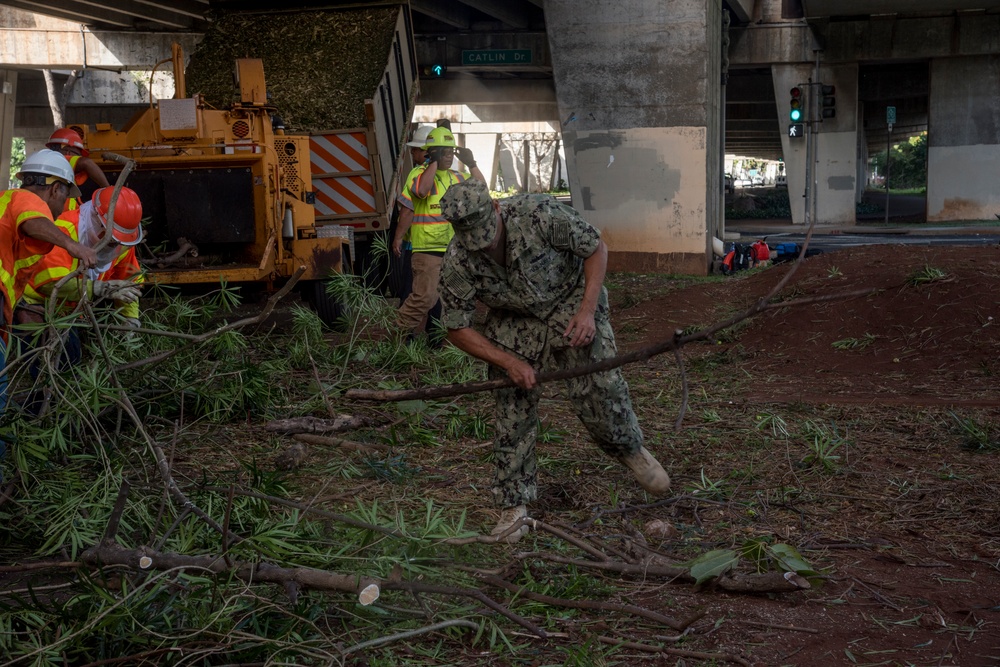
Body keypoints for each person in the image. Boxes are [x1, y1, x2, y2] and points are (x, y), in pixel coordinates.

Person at [437, 179, 670, 543]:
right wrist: (507, 362)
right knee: (512, 413)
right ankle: (513, 504)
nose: (484, 245)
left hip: (571, 305)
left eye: (488, 235)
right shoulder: (458, 259)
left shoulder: (540, 214)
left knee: (602, 388)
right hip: (513, 325)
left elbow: (595, 249)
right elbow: (456, 327)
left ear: (496, 209)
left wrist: (588, 311)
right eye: (474, 240)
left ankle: (629, 448)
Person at [0, 149, 98, 469]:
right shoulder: (27, 201)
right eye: (65, 196)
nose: (64, 206)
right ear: (55, 189)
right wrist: (72, 245)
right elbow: (35, 222)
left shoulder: (4, 203)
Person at [395, 126, 484, 342]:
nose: (449, 156)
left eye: (451, 151)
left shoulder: (457, 176)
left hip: (454, 250)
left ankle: (436, 339)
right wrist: (433, 162)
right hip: (428, 249)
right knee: (424, 297)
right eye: (444, 152)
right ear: (432, 152)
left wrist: (472, 164)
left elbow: (481, 191)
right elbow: (421, 191)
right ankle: (396, 337)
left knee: (448, 299)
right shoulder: (418, 174)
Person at [18, 186, 145, 329]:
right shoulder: (61, 230)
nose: (113, 245)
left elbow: (129, 283)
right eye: (111, 238)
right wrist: (100, 288)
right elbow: (51, 284)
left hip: (73, 312)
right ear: (96, 220)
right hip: (36, 303)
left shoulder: (122, 243)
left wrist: (130, 319)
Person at [45, 128, 110, 210]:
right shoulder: (60, 160)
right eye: (77, 154)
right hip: (65, 220)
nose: (78, 157)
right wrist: (109, 190)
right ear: (68, 152)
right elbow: (86, 163)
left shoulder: (45, 163)